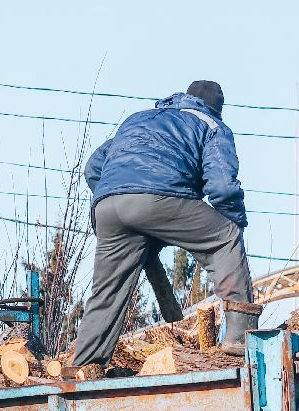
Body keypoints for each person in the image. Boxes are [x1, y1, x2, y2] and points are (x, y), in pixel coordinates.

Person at [71, 80, 259, 367]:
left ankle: (84, 366)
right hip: (158, 199)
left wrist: (116, 196)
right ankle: (240, 336)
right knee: (226, 236)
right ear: (217, 109)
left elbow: (93, 168)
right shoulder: (211, 126)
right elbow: (222, 187)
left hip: (107, 207)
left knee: (106, 293)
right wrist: (235, 220)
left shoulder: (139, 119)